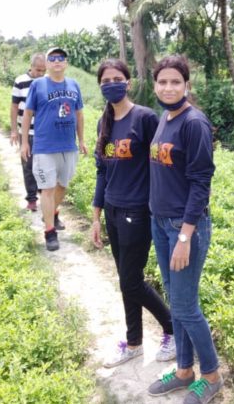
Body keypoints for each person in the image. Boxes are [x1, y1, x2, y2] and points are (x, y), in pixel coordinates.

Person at [146, 55, 223, 404]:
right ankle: (183, 371)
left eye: (175, 81)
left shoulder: (194, 123)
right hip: (160, 222)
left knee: (186, 306)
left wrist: (185, 236)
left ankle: (210, 376)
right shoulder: (165, 118)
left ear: (186, 85)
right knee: (178, 304)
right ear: (155, 85)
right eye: (162, 82)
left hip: (182, 226)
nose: (168, 87)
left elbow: (200, 183)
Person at [90, 59, 176, 368]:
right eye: (105, 80)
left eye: (117, 78)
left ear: (127, 82)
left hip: (137, 211)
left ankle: (172, 329)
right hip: (112, 211)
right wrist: (97, 216)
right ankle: (135, 342)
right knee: (127, 279)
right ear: (101, 85)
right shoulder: (104, 122)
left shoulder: (145, 118)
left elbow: (161, 165)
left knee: (130, 281)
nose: (111, 83)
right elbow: (102, 171)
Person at [21, 47, 87, 251]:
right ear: (47, 64)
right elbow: (28, 114)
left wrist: (82, 140)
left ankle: (51, 213)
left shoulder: (74, 85)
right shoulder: (38, 85)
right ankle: (49, 231)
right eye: (53, 58)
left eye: (61, 58)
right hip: (44, 146)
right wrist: (24, 142)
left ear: (66, 63)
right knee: (47, 189)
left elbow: (79, 114)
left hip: (68, 146)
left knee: (63, 185)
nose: (57, 61)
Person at [10, 53, 46, 212]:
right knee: (28, 166)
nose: (41, 73)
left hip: (44, 132)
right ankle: (31, 198)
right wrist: (13, 131)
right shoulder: (20, 82)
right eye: (38, 70)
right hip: (27, 132)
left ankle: (44, 196)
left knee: (44, 166)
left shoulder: (47, 82)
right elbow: (14, 107)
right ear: (31, 66)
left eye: (43, 70)